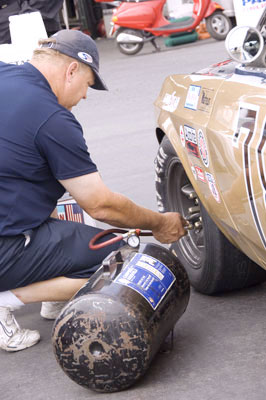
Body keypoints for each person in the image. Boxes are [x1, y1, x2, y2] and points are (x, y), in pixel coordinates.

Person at [0, 29, 188, 352]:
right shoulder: (52, 118)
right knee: (116, 261)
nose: (85, 97)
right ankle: (6, 298)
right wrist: (158, 223)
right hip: (7, 245)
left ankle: (43, 292)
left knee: (49, 201)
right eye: (87, 84)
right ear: (71, 70)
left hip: (12, 220)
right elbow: (100, 205)